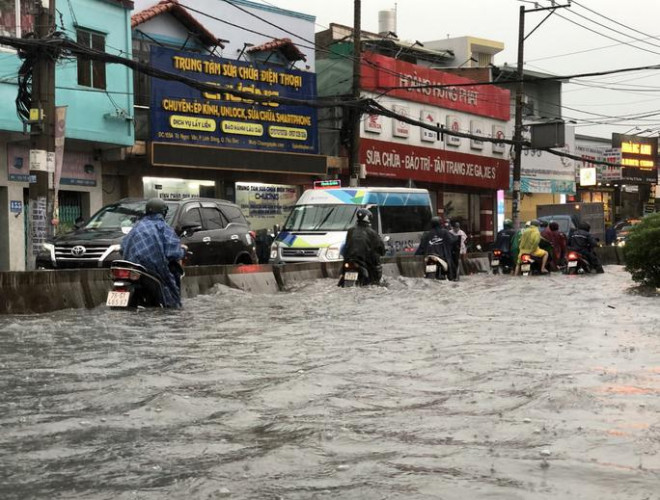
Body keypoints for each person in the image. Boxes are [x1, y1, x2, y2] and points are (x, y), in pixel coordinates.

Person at [120, 198, 186, 307]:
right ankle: (172, 306)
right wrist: (183, 251)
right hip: (152, 269)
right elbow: (172, 253)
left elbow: (122, 247)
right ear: (163, 212)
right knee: (171, 293)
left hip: (131, 268)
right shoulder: (162, 227)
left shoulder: (136, 226)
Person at [342, 208, 385, 284]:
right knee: (376, 278)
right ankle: (375, 282)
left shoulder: (350, 230)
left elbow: (346, 245)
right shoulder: (372, 232)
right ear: (368, 219)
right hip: (364, 262)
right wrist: (382, 251)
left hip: (349, 260)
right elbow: (380, 247)